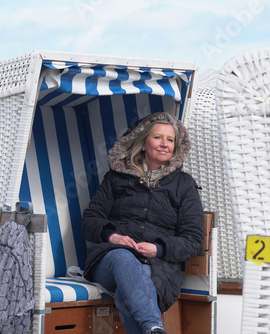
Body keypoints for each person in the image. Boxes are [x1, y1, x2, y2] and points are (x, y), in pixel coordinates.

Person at [81, 112, 204, 334]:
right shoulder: (116, 178)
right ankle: (154, 326)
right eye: (158, 137)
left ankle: (152, 330)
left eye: (170, 139)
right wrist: (113, 237)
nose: (164, 144)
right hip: (111, 258)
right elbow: (90, 220)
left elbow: (193, 240)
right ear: (144, 142)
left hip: (158, 265)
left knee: (127, 293)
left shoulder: (184, 185)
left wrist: (158, 249)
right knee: (122, 256)